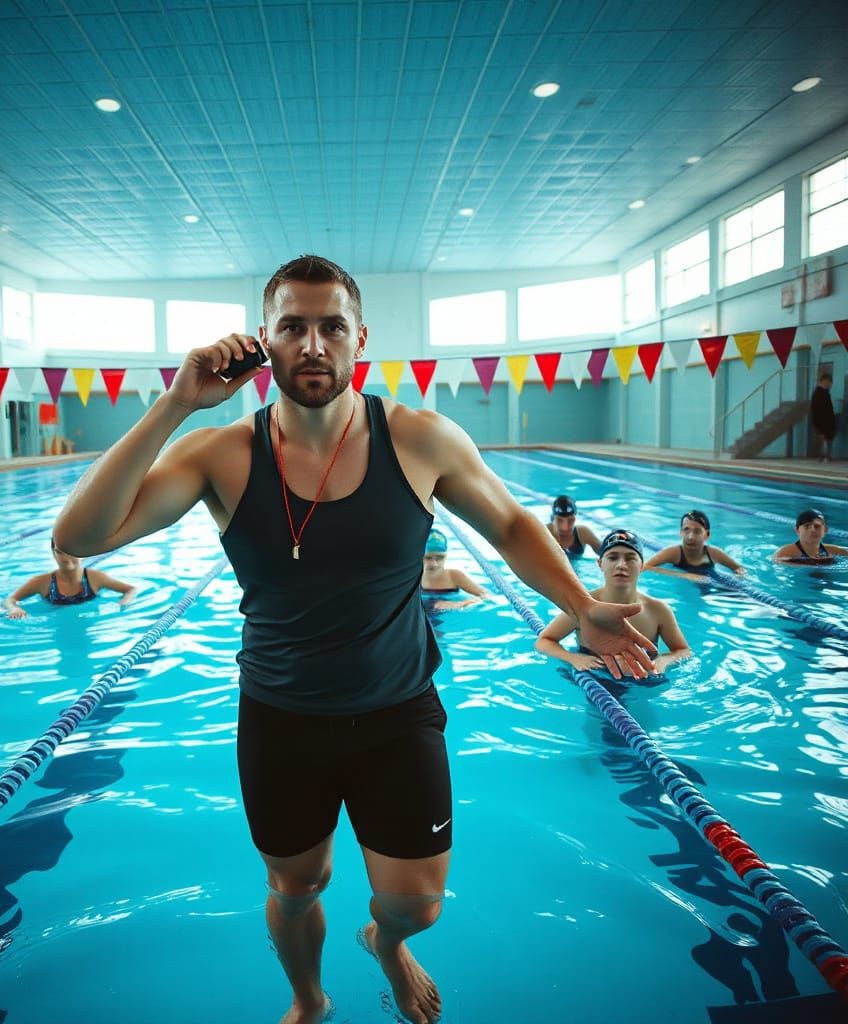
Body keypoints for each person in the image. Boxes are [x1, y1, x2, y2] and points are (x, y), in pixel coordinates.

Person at [52, 254, 656, 1024]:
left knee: (420, 905)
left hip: (397, 713)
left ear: (358, 337)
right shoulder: (224, 455)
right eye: (293, 327)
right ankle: (309, 998)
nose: (313, 344)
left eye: (330, 326)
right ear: (262, 342)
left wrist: (580, 603)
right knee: (295, 888)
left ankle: (388, 944)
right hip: (280, 718)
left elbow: (507, 523)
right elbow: (78, 534)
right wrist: (176, 406)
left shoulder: (419, 438)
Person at [536, 529, 692, 678]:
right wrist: (573, 658)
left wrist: (663, 660)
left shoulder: (658, 610)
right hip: (596, 679)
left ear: (642, 566)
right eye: (612, 557)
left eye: (630, 558)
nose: (621, 565)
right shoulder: (583, 605)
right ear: (600, 564)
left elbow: (683, 650)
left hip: (646, 680)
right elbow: (544, 641)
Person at [4, 538, 137, 618]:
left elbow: (131, 589)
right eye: (60, 552)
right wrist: (14, 608)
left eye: (71, 551)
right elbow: (11, 599)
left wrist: (124, 603)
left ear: (83, 553)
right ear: (53, 554)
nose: (66, 557)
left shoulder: (95, 577)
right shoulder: (41, 582)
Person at [644, 510, 745, 581]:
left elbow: (738, 568)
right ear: (680, 532)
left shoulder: (714, 553)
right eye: (686, 530)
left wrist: (740, 576)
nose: (690, 536)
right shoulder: (673, 553)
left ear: (707, 535)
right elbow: (645, 566)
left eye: (697, 531)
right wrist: (686, 576)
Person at [420, 528, 489, 610]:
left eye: (440, 558)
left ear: (446, 557)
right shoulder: (411, 576)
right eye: (428, 558)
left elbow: (487, 595)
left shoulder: (453, 576)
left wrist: (461, 604)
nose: (434, 563)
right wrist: (434, 604)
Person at [773, 509, 848, 564]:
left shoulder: (834, 551)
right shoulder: (785, 552)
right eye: (807, 526)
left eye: (817, 526)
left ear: (825, 530)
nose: (812, 530)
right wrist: (812, 562)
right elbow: (777, 562)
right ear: (797, 530)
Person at [810, 372, 836, 462]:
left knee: (825, 439)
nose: (829, 384)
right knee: (824, 439)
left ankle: (824, 456)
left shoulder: (824, 393)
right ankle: (824, 456)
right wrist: (819, 423)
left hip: (825, 421)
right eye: (828, 382)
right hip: (822, 421)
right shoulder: (819, 393)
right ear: (824, 381)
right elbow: (818, 410)